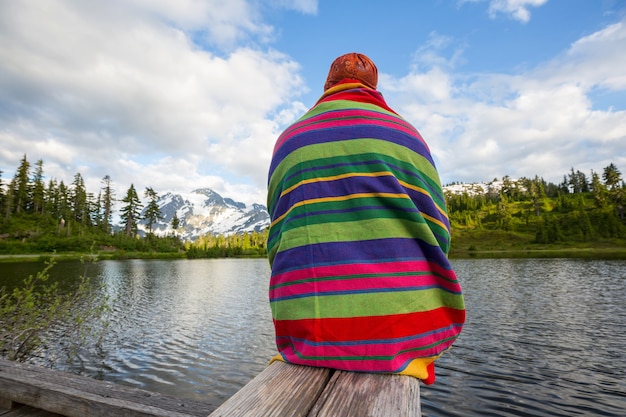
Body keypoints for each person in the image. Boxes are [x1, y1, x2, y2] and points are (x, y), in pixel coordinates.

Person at [266, 52, 465, 384]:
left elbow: (278, 236)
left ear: (328, 85)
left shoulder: (289, 139)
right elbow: (439, 234)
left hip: (307, 332)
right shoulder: (408, 135)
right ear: (373, 86)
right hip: (402, 331)